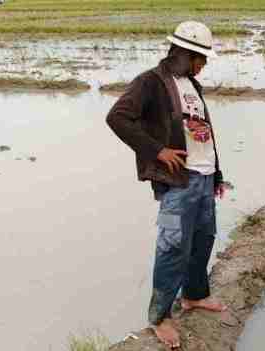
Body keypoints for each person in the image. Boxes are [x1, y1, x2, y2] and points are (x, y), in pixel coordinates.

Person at [106, 21, 228, 349]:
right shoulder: (151, 82)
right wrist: (157, 150)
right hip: (179, 181)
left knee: (203, 239)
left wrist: (216, 174)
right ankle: (160, 317)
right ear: (181, 53)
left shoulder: (191, 85)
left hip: (203, 178)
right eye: (198, 57)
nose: (203, 64)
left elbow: (202, 134)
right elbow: (117, 117)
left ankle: (193, 296)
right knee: (173, 247)